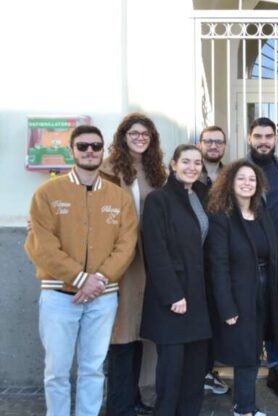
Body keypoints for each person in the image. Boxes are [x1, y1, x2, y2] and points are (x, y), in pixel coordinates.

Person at [25, 124, 138, 416]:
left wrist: (98, 280)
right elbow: (41, 244)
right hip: (59, 296)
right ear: (71, 150)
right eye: (83, 146)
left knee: (93, 369)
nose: (90, 151)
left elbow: (126, 245)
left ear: (102, 151)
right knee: (57, 370)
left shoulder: (119, 198)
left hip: (102, 296)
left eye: (96, 146)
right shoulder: (47, 193)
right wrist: (79, 279)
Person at [207, 160, 278, 416]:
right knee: (246, 351)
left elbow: (277, 251)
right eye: (241, 178)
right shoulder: (221, 216)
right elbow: (218, 265)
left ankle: (245, 404)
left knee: (257, 348)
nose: (247, 183)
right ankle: (244, 408)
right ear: (230, 182)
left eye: (252, 179)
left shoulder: (262, 212)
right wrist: (226, 306)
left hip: (267, 292)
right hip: (240, 294)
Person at [101, 113, 167, 416]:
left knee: (138, 329)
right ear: (123, 136)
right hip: (120, 258)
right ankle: (118, 404)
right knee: (121, 331)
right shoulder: (107, 170)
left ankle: (133, 397)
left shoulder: (156, 172)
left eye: (145, 134)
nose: (140, 138)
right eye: (134, 133)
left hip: (149, 257)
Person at [140, 145, 212, 416]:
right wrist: (173, 294)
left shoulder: (203, 196)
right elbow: (155, 250)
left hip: (199, 295)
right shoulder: (158, 200)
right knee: (171, 373)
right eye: (186, 162)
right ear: (173, 164)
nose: (192, 167)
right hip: (173, 298)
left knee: (195, 371)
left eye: (197, 162)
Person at [246, 117, 278, 397]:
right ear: (249, 138)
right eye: (258, 136)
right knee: (252, 314)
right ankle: (247, 370)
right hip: (250, 255)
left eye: (268, 136)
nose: (263, 142)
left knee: (276, 315)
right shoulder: (241, 170)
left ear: (275, 139)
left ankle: (275, 370)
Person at [197, 125, 230, 395]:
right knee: (198, 316)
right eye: (208, 141)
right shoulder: (189, 173)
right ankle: (198, 373)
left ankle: (208, 370)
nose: (213, 146)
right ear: (200, 144)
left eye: (218, 142)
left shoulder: (229, 176)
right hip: (194, 257)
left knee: (217, 316)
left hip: (222, 256)